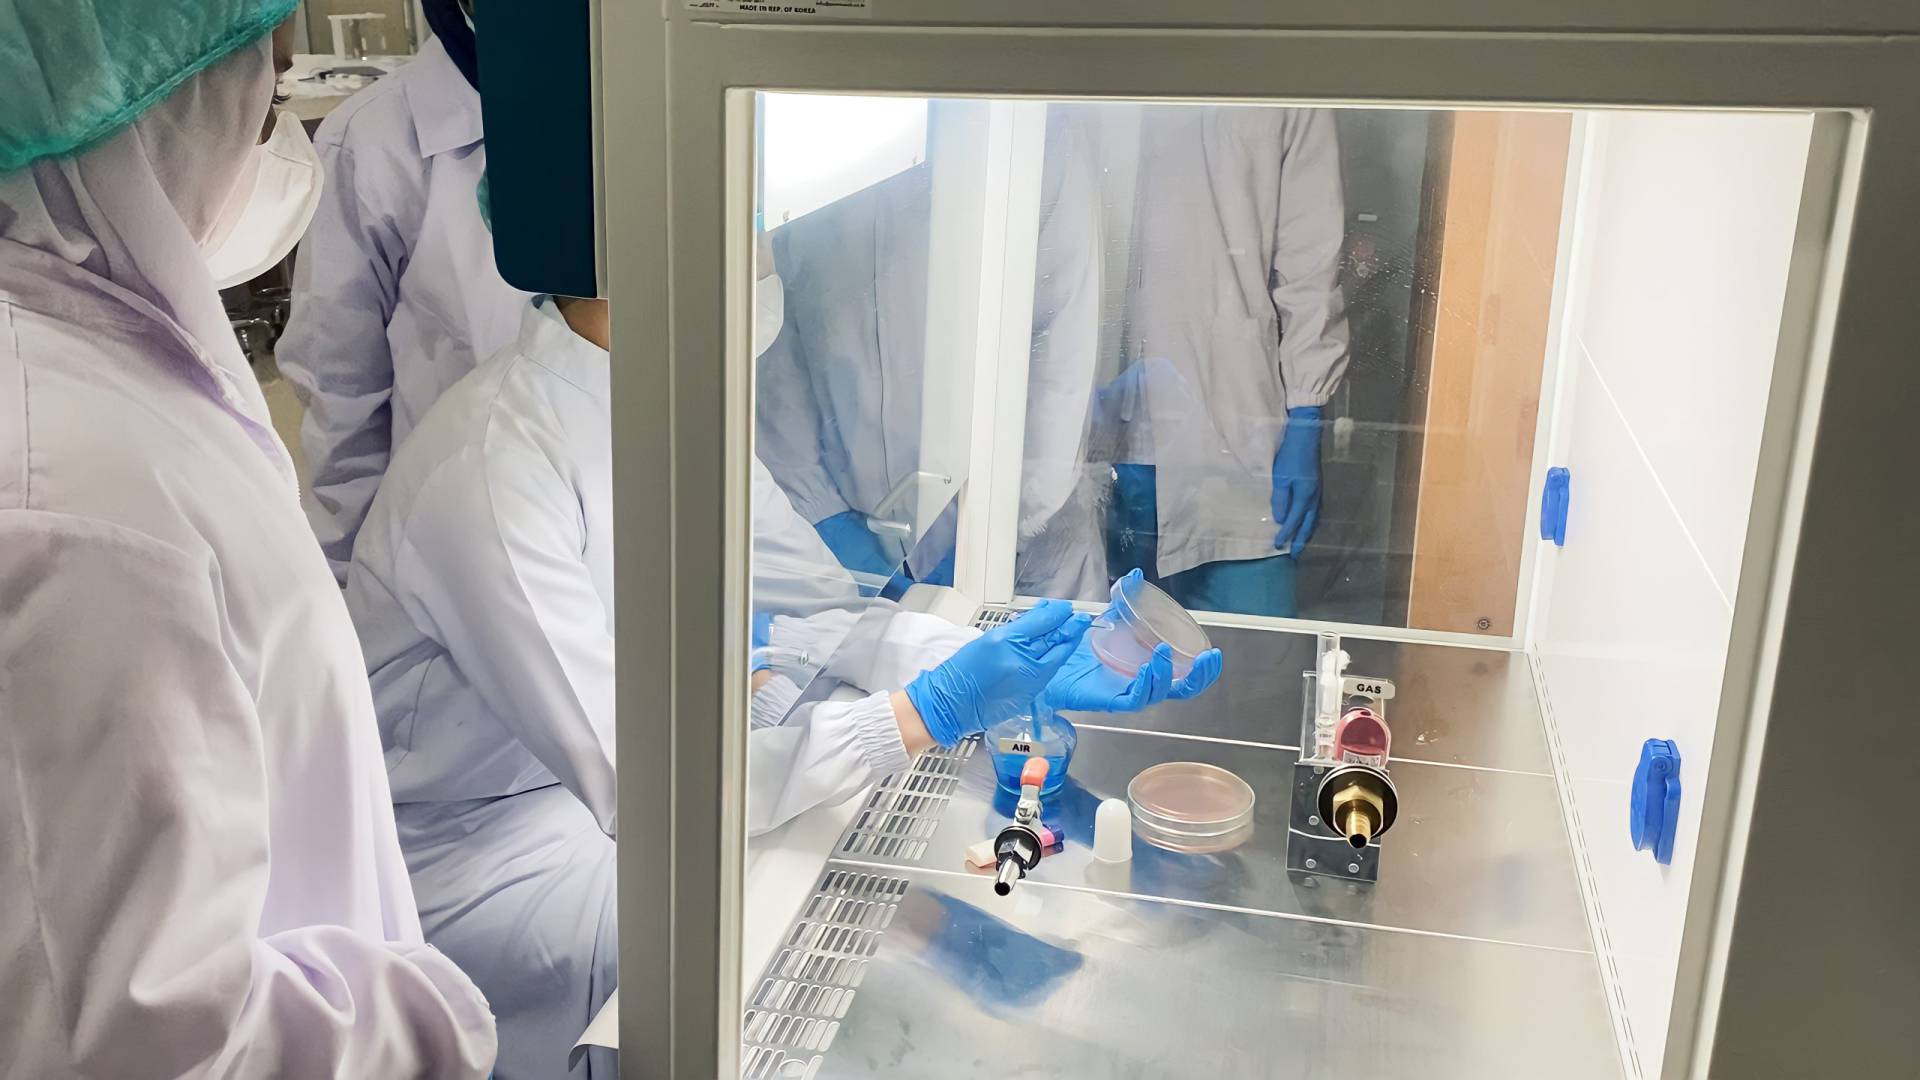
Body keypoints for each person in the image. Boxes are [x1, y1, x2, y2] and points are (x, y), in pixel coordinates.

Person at [343, 238, 1222, 1075]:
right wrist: (927, 713)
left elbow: (822, 607)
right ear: (655, 242)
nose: (767, 257)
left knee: (809, 869)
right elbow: (655, 791)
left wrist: (1003, 662)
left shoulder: (670, 401)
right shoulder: (494, 465)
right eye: (753, 227)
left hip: (613, 790)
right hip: (484, 850)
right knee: (751, 930)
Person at [0, 3, 497, 1076]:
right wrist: (437, 1021)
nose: (280, 150)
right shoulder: (73, 510)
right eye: (265, 102)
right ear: (140, 108)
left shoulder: (108, 356)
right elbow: (152, 1041)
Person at [756, 107, 1108, 600]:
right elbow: (777, 340)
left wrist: (1007, 526)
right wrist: (822, 512)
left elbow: (1062, 350)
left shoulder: (1025, 131)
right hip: (853, 534)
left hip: (1024, 552)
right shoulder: (819, 144)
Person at [278, 0, 531, 583]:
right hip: (447, 550)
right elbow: (340, 390)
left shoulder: (636, 103)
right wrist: (353, 579)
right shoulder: (372, 139)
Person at [1097, 105, 1350, 618]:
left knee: (1253, 655)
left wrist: (1307, 413)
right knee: (1120, 650)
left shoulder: (1294, 82)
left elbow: (1311, 268)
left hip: (1238, 434)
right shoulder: (1108, 73)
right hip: (1113, 434)